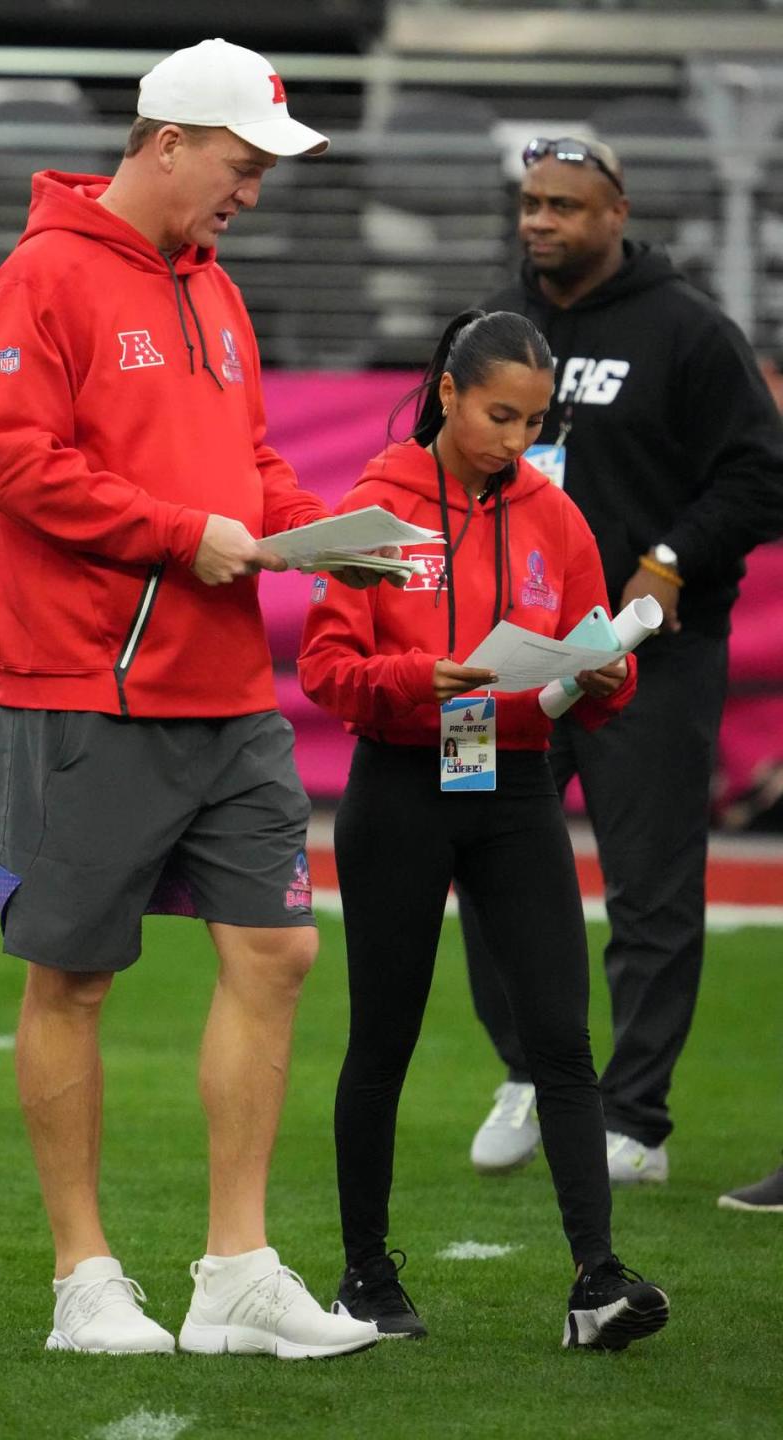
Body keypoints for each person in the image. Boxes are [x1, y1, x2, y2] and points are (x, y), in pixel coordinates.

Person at [0, 38, 387, 1359]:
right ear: (168, 143)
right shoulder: (42, 275)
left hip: (227, 689)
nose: (251, 190)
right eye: (241, 163)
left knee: (278, 950)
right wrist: (178, 533)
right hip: (88, 683)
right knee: (74, 979)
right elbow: (14, 461)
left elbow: (254, 464)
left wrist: (338, 532)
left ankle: (235, 1271)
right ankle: (84, 1279)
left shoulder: (218, 290)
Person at [298, 308, 670, 1350]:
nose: (517, 438)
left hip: (513, 786)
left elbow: (602, 666)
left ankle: (596, 1282)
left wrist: (608, 671)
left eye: (533, 419)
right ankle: (367, 1280)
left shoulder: (555, 512)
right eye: (500, 415)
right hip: (403, 785)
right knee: (384, 1038)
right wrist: (427, 677)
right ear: (450, 394)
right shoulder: (377, 501)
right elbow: (327, 670)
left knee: (561, 1035)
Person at [462, 137, 783, 1185]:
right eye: (529, 203)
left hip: (645, 651)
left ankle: (634, 1120)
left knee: (649, 887)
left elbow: (759, 476)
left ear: (616, 213)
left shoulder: (688, 329)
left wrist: (670, 559)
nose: (538, 222)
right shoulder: (492, 330)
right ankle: (528, 1071)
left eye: (562, 205)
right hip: (507, 653)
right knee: (479, 857)